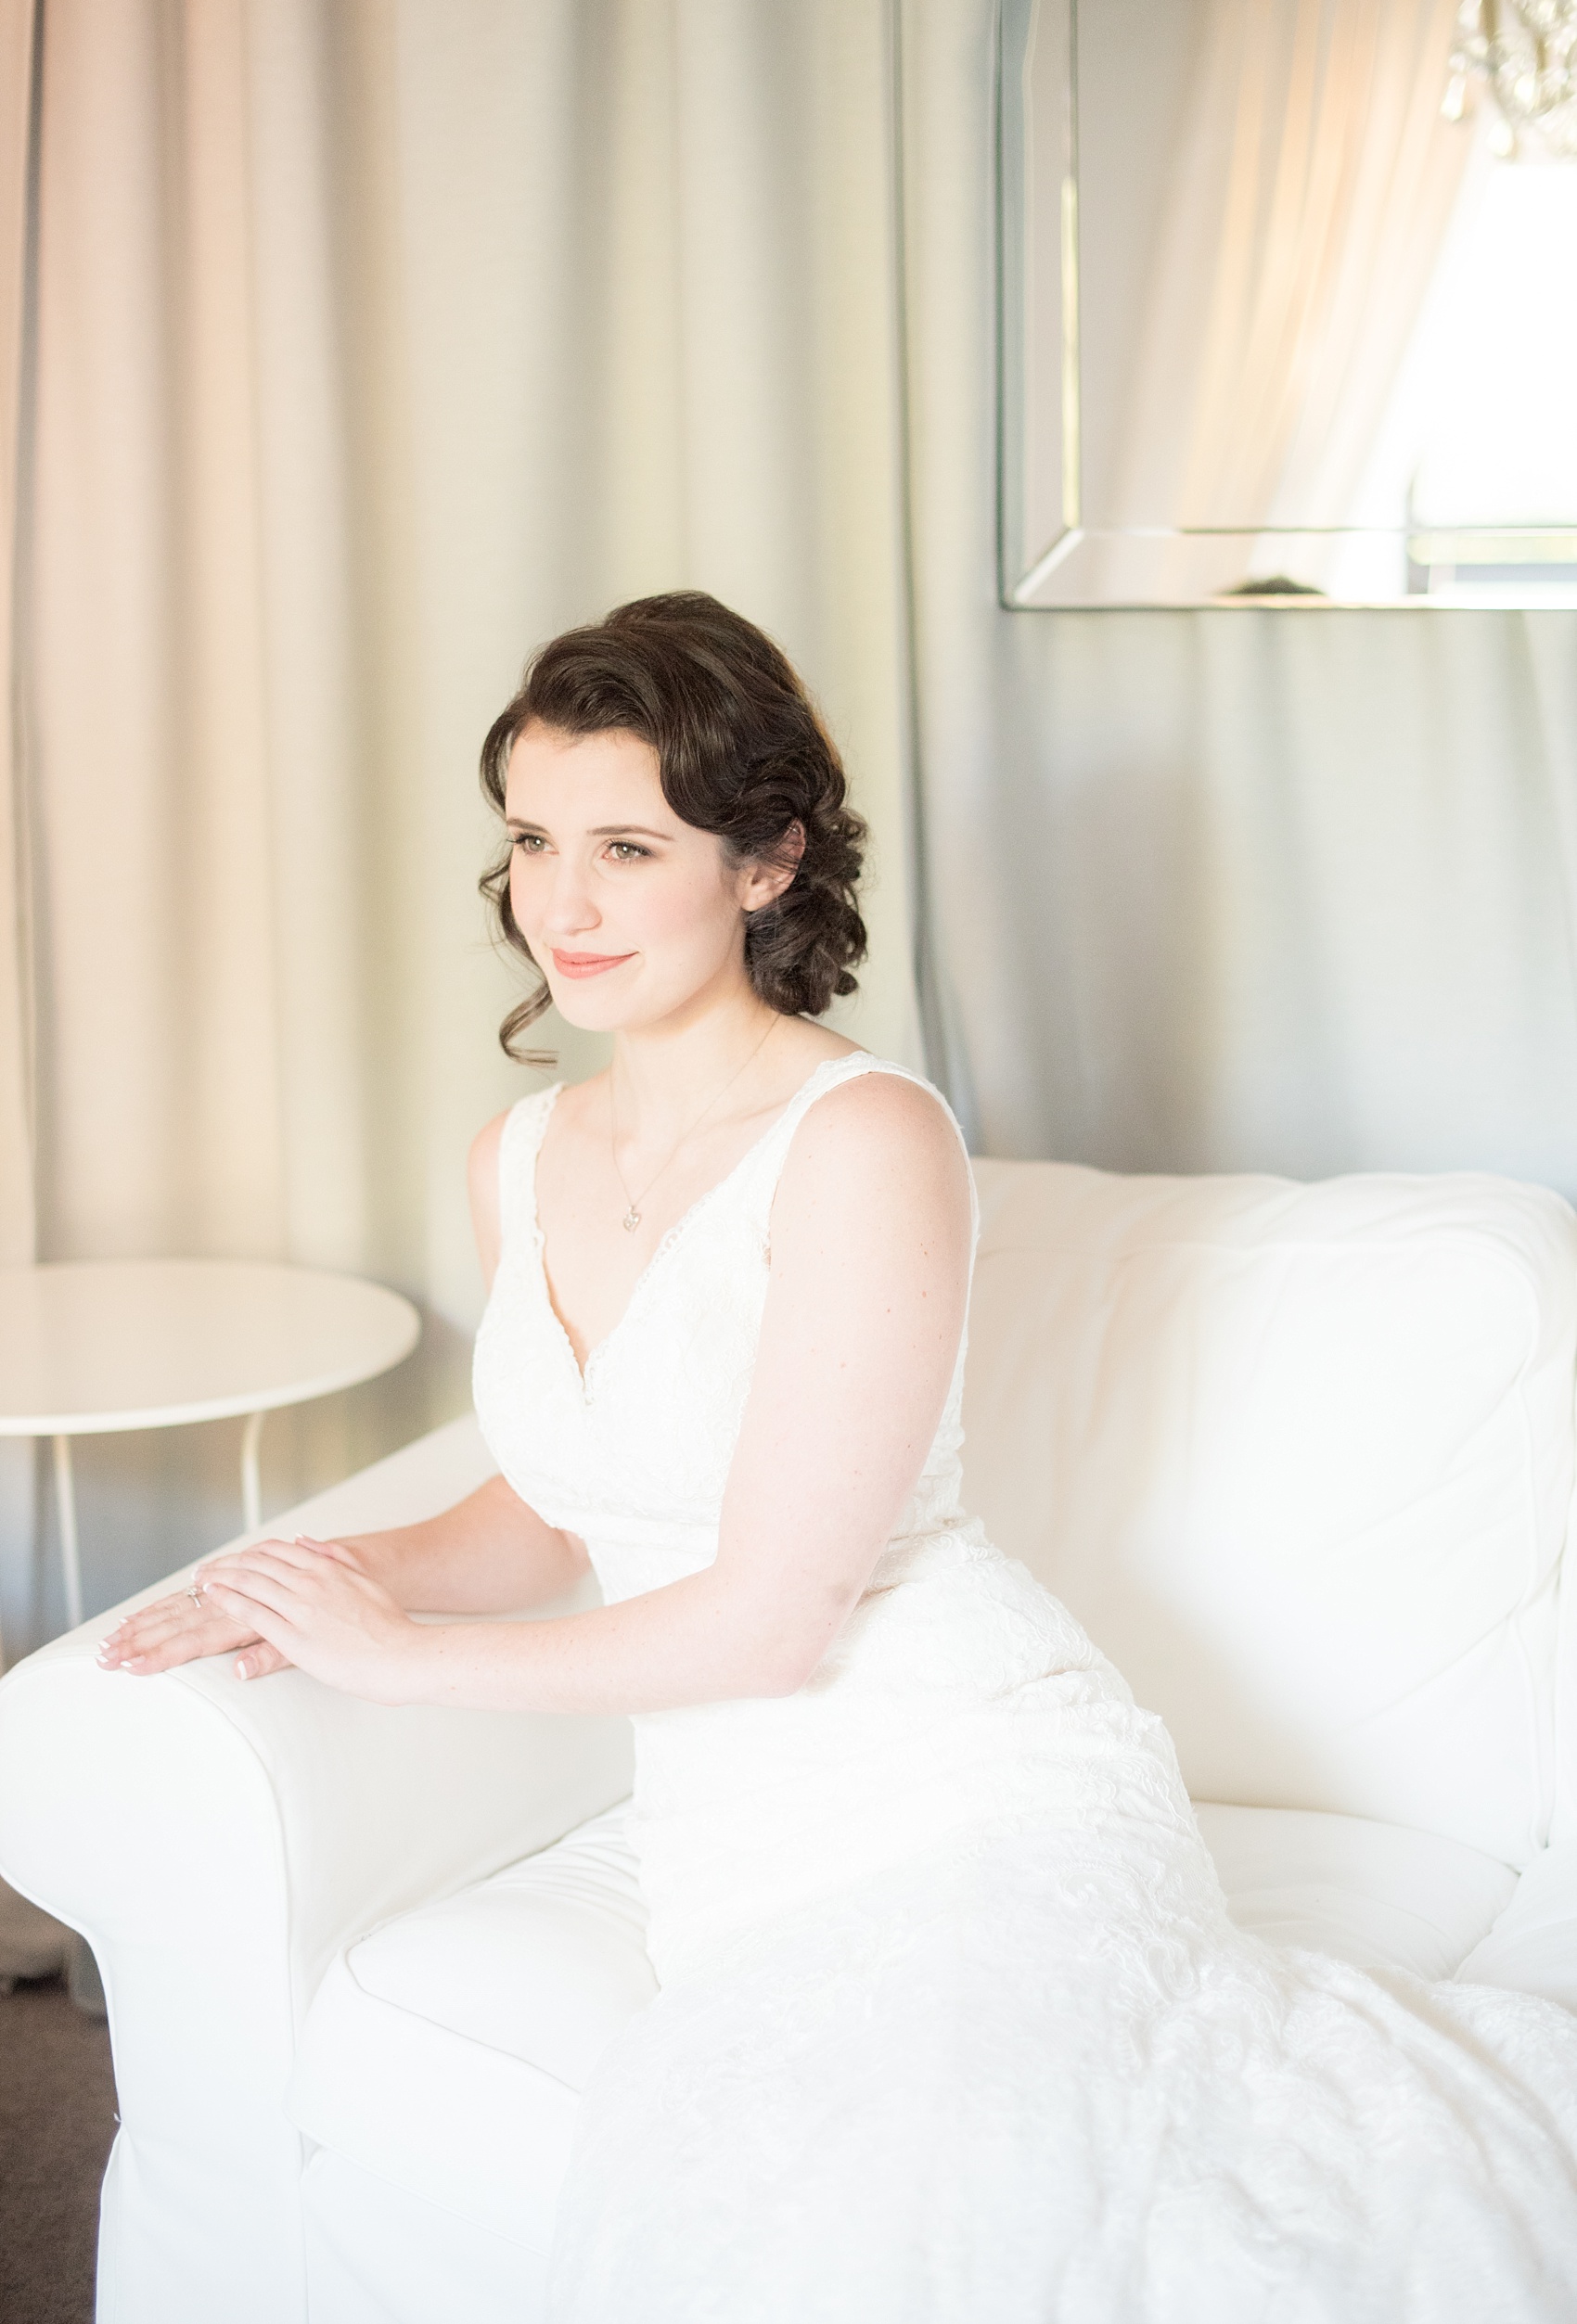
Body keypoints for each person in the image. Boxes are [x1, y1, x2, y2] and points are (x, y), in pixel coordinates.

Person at [101, 593, 1577, 2321]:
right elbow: (561, 1500)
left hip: (972, 1787)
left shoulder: (863, 1138)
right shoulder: (518, 1154)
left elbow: (774, 1620)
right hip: (733, 1846)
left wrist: (409, 1666)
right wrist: (330, 1581)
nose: (557, 904)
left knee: (957, 2220)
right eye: (529, 841)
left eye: (626, 845)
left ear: (764, 861)